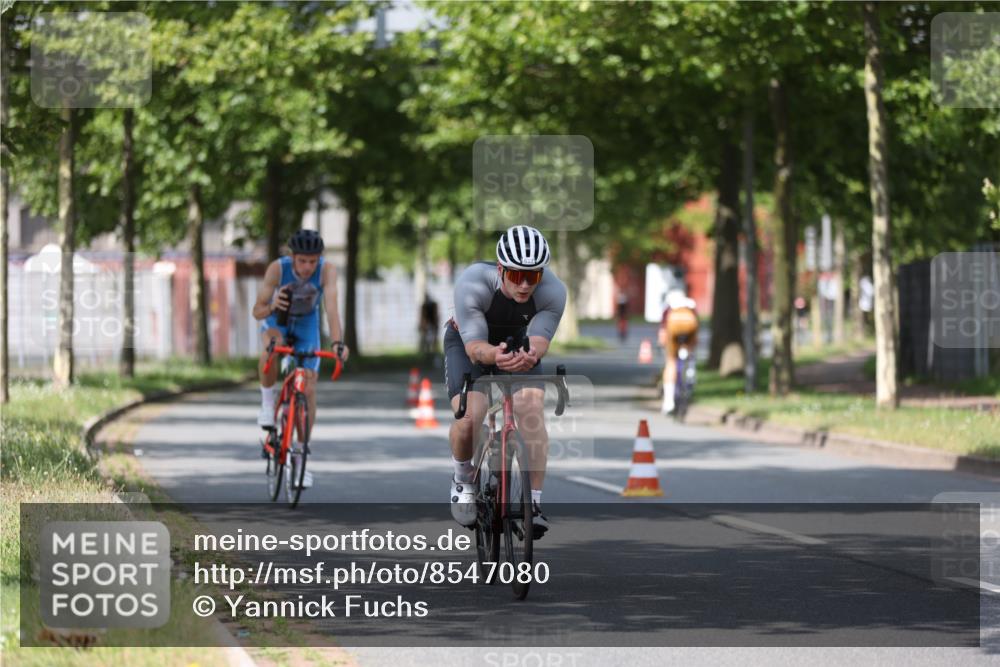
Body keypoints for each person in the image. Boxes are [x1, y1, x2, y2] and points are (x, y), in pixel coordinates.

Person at [445, 225, 566, 538]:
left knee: (531, 407)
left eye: (533, 276)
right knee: (470, 415)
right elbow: (475, 347)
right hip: (469, 343)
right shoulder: (473, 282)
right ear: (501, 270)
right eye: (516, 275)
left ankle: (533, 503)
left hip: (516, 345)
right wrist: (494, 356)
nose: (525, 284)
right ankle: (462, 477)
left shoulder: (553, 291)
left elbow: (539, 341)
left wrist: (528, 355)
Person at [252, 229, 350, 488]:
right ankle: (267, 404)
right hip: (278, 321)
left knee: (308, 387)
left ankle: (300, 455)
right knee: (271, 348)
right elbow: (257, 311)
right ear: (292, 257)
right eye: (302, 261)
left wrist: (338, 343)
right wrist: (273, 305)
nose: (307, 267)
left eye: (312, 261)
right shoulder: (277, 269)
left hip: (307, 324)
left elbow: (332, 309)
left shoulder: (327, 271)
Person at [658, 288, 699, 415]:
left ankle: (668, 402)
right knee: (690, 352)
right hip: (690, 324)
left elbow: (663, 331)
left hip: (673, 325)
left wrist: (662, 345)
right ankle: (691, 369)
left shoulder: (669, 308)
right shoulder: (690, 305)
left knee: (671, 361)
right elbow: (696, 329)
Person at [419, 293, 440, 361]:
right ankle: (429, 356)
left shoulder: (432, 305)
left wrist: (435, 325)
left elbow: (435, 315)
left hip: (432, 325)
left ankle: (433, 355)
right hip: (428, 325)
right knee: (427, 341)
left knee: (433, 341)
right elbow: (423, 316)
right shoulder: (425, 305)